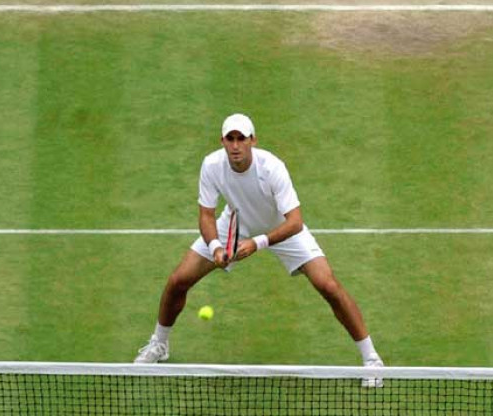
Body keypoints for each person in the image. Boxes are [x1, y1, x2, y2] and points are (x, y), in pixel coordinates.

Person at [134, 113, 384, 386]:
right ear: (222, 141)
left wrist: (259, 242)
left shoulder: (272, 167)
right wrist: (216, 247)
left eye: (241, 138)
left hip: (281, 228)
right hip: (235, 223)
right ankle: (159, 344)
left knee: (329, 286)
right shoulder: (212, 165)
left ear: (253, 141)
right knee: (178, 280)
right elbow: (206, 215)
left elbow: (296, 222)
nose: (236, 145)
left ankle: (372, 360)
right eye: (230, 139)